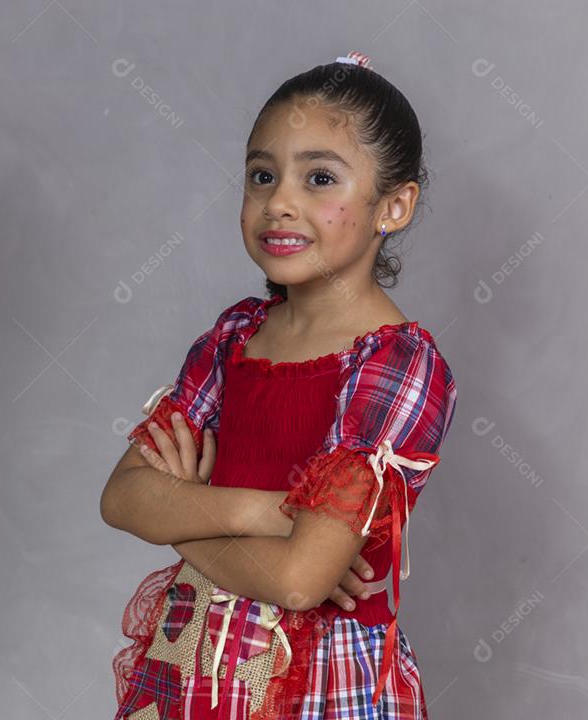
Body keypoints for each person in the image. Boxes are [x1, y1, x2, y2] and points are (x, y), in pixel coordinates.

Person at [99, 51, 459, 719]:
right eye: (262, 176)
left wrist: (183, 511)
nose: (280, 203)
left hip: (319, 681)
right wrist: (267, 512)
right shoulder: (234, 337)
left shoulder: (397, 366)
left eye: (320, 177)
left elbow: (299, 582)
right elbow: (123, 498)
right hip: (194, 664)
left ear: (395, 205)